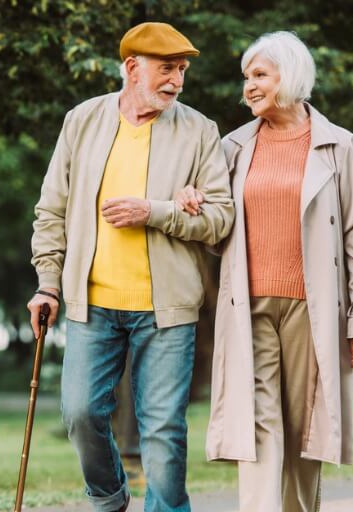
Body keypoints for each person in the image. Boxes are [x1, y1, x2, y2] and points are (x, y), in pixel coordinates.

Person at [176, 31, 353, 511]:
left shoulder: (339, 146)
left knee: (303, 429)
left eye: (259, 76)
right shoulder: (231, 147)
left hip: (311, 309)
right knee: (256, 425)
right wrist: (193, 204)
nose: (248, 87)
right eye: (246, 77)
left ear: (289, 77)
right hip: (248, 305)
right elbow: (217, 232)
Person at [28, 22, 234, 512]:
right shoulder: (83, 120)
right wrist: (47, 285)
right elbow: (50, 210)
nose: (177, 81)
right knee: (80, 413)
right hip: (91, 304)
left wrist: (156, 212)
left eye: (182, 70)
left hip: (166, 311)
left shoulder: (200, 131)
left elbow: (221, 218)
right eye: (167, 69)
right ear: (132, 68)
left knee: (162, 429)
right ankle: (109, 499)